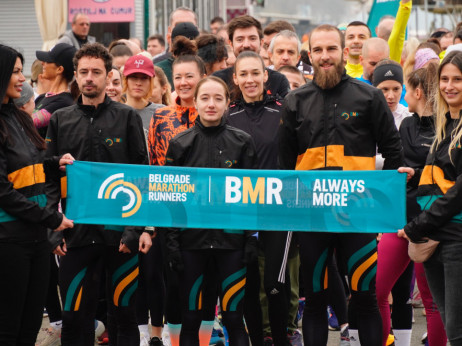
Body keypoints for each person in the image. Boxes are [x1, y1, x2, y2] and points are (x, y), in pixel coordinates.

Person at [278, 24, 403, 346]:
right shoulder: (294, 100)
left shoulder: (369, 96)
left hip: (358, 218)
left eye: (331, 49)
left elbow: (392, 153)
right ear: (310, 55)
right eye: (318, 50)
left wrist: (378, 207)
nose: (325, 56)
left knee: (366, 297)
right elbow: (284, 164)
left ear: (346, 51)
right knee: (316, 300)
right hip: (313, 220)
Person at [44, 42, 152, 345]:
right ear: (75, 76)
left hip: (119, 235)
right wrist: (53, 226)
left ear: (108, 76)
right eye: (83, 72)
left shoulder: (128, 117)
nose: (89, 78)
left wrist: (135, 229)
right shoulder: (60, 119)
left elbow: (141, 175)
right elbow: (49, 177)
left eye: (96, 72)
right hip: (75, 234)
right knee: (76, 317)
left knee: (124, 314)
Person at [165, 76, 257, 346]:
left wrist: (251, 238)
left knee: (232, 316)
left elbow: (252, 195)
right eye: (205, 98)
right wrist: (171, 242)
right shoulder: (180, 143)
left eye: (218, 98)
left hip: (232, 244)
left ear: (228, 103)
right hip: (191, 243)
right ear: (195, 102)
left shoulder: (242, 142)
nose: (211, 104)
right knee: (191, 317)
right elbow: (171, 198)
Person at [0, 44, 73, 345]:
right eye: (16, 71)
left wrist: (55, 163)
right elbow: (3, 191)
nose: (23, 79)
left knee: (30, 328)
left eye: (21, 71)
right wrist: (51, 219)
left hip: (36, 239)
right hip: (8, 242)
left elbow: (29, 165)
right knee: (8, 329)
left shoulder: (17, 117)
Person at [225, 51, 294, 346]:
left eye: (256, 73)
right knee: (249, 286)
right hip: (241, 213)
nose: (250, 79)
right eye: (244, 74)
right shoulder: (228, 116)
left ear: (266, 76)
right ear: (235, 78)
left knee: (275, 284)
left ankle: (281, 339)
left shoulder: (284, 112)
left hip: (279, 211)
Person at [398, 50, 462, 346]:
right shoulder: (445, 125)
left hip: (454, 240)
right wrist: (417, 173)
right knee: (452, 328)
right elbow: (440, 177)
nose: (449, 86)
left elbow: (457, 193)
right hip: (434, 239)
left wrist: (417, 226)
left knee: (458, 329)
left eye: (457, 80)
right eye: (445, 79)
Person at [372, 60, 412, 346]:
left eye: (395, 88)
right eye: (383, 88)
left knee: (402, 289)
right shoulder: (365, 115)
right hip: (371, 210)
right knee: (372, 288)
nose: (390, 94)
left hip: (402, 210)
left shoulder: (408, 119)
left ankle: (403, 341)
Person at [213, 15, 290, 99]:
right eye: (240, 39)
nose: (246, 45)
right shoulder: (218, 80)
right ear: (231, 44)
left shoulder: (278, 81)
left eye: (252, 38)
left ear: (261, 43)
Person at [33, 43, 77, 138]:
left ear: (59, 69)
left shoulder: (64, 102)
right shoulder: (42, 97)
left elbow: (30, 123)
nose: (42, 63)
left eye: (48, 60)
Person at [122, 54, 163, 136]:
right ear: (126, 80)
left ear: (150, 82)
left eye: (144, 78)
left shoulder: (162, 113)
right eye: (134, 77)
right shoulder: (116, 113)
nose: (138, 83)